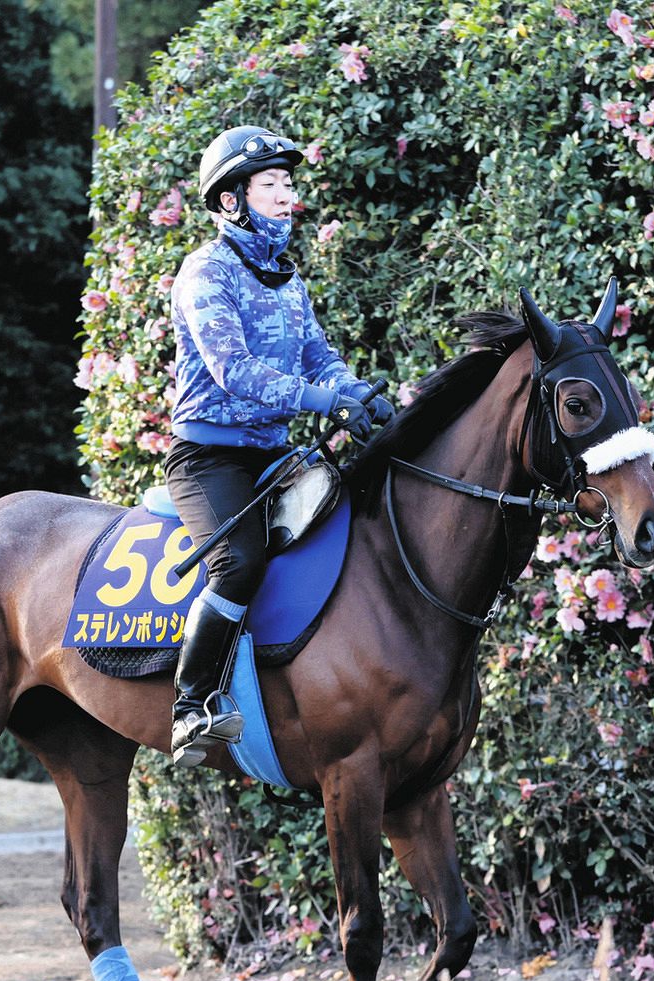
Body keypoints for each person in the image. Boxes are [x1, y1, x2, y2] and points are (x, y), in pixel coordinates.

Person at [165, 124, 394, 767]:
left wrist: (360, 395)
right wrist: (325, 402)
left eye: (288, 184)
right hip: (208, 456)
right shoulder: (205, 272)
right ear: (231, 200)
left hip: (272, 456)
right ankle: (192, 705)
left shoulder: (288, 280)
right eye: (271, 185)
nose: (286, 195)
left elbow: (320, 359)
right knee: (237, 562)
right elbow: (231, 370)